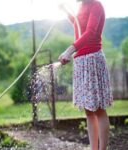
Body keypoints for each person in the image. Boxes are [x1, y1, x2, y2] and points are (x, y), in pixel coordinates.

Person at [58, 0, 113, 150]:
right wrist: (66, 12)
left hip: (92, 60)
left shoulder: (95, 5)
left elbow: (90, 33)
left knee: (98, 108)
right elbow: (78, 25)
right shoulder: (81, 5)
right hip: (81, 61)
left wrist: (69, 51)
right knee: (89, 111)